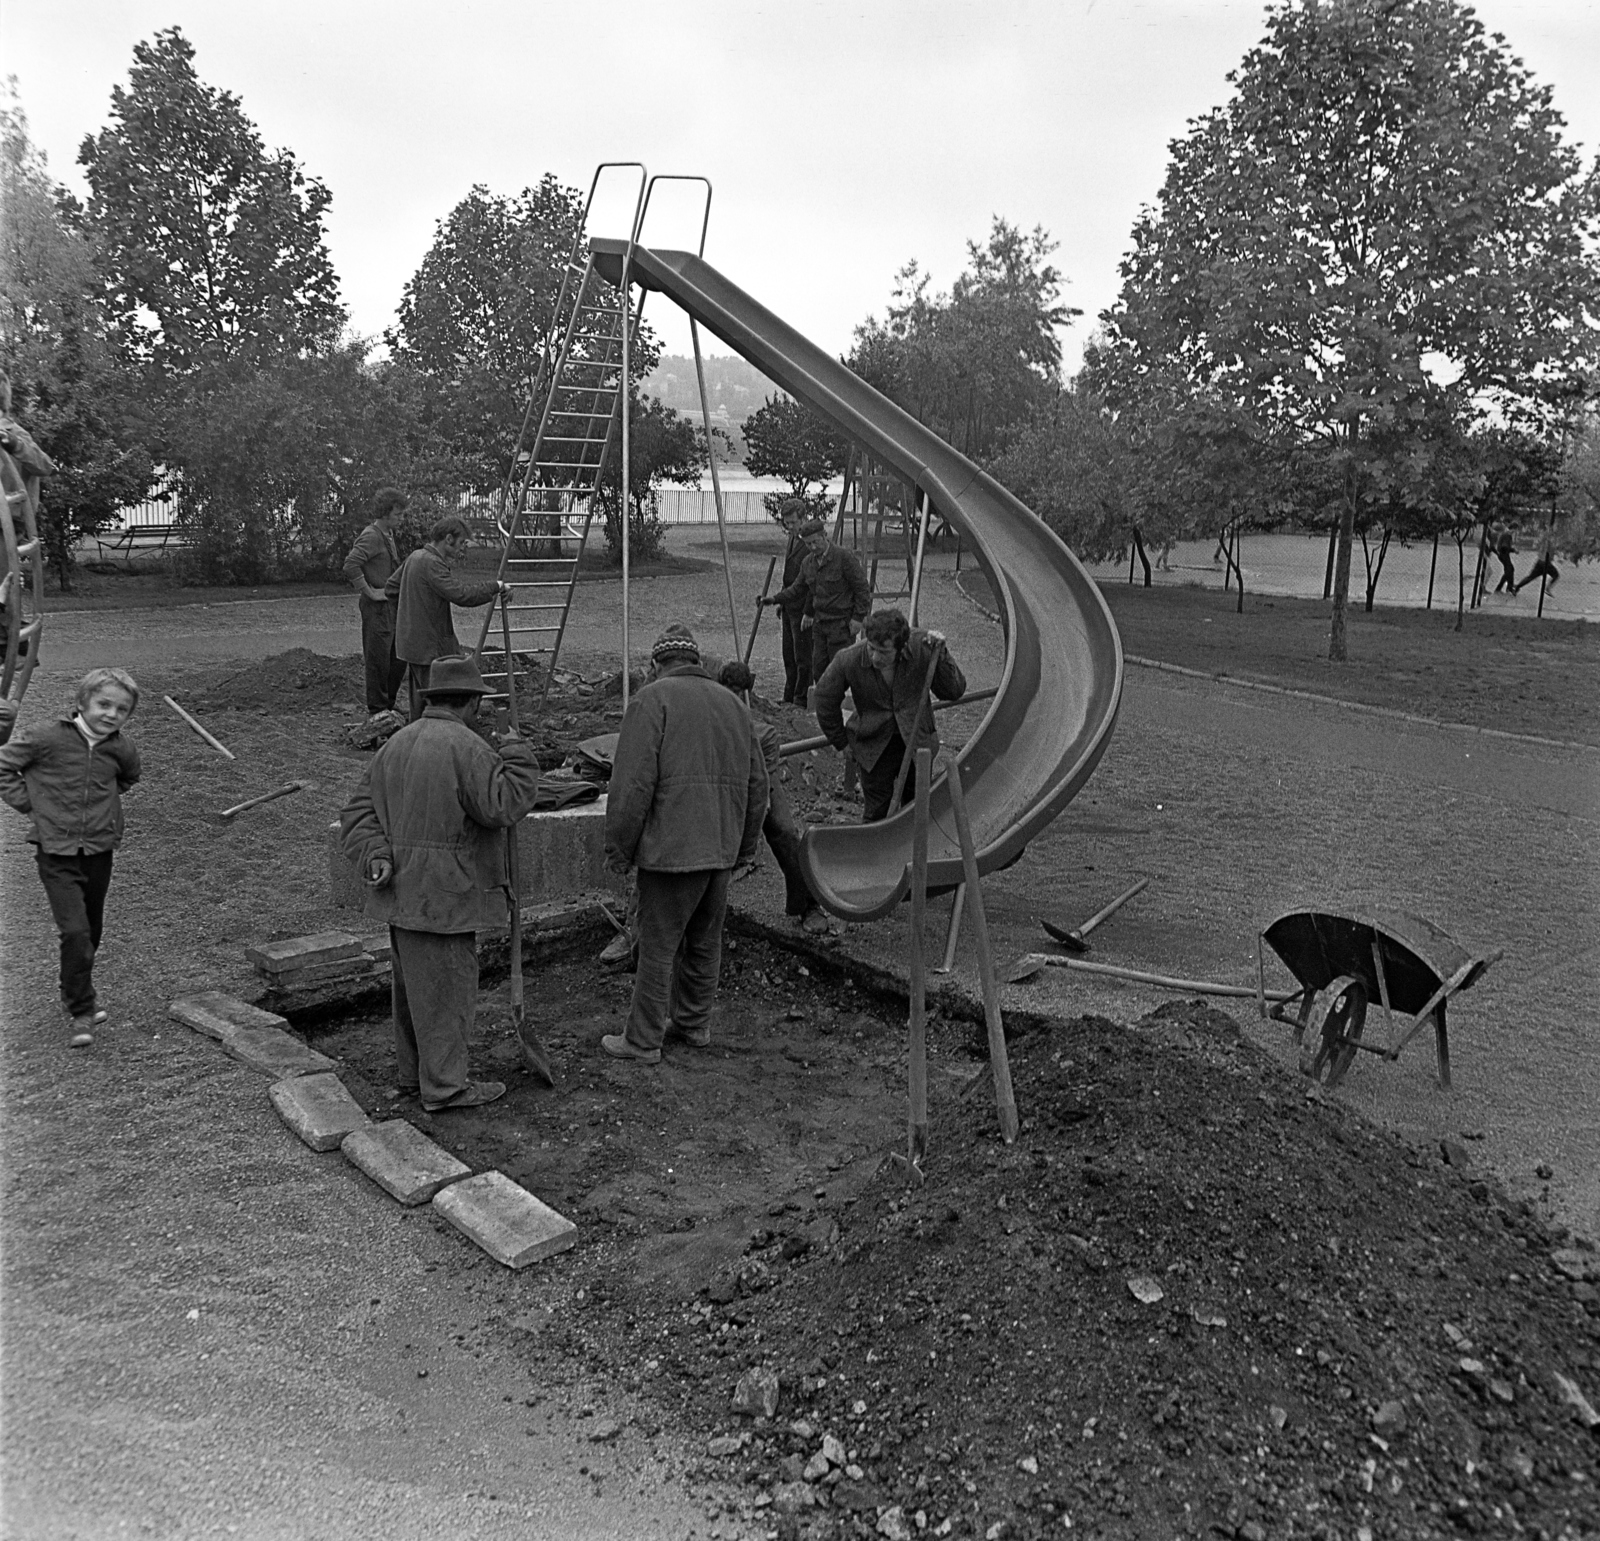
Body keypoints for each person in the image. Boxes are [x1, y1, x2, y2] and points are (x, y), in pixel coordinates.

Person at [339, 654, 541, 1111]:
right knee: (448, 993)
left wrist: (376, 854)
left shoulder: (397, 743)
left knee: (413, 992)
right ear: (472, 703)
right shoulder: (468, 748)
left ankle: (416, 1078)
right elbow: (503, 805)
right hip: (444, 896)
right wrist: (515, 753)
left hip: (402, 895)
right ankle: (446, 1088)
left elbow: (356, 812)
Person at [601, 625, 767, 1063]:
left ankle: (642, 1041)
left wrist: (619, 848)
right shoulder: (734, 705)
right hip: (719, 849)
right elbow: (757, 784)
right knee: (704, 941)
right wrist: (744, 847)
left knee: (656, 947)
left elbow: (631, 785)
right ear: (696, 661)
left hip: (671, 851)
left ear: (657, 664)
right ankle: (694, 1024)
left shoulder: (651, 701)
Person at [0, 668, 141, 1047]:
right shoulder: (46, 737)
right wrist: (33, 805)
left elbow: (127, 779)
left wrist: (101, 810)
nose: (111, 714)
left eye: (122, 709)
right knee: (75, 930)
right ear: (82, 703)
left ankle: (70, 984)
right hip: (56, 852)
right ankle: (82, 1010)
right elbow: (3, 766)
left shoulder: (121, 748)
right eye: (104, 704)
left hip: (98, 850)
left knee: (91, 930)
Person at [814, 608, 967, 823]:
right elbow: (824, 698)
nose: (875, 657)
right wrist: (841, 742)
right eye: (871, 648)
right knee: (876, 814)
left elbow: (954, 690)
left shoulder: (922, 647)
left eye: (883, 653)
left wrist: (941, 654)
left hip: (917, 743)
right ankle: (875, 854)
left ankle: (912, 854)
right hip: (873, 748)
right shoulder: (848, 659)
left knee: (918, 811)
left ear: (901, 647)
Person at [718, 660, 829, 936]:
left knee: (785, 831)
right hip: (714, 782)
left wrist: (758, 807)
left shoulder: (761, 734)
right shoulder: (700, 712)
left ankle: (808, 904)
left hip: (756, 779)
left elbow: (762, 786)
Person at [386, 514, 509, 718]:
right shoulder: (432, 563)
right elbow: (461, 595)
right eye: (461, 542)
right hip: (429, 648)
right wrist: (496, 586)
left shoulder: (415, 556)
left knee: (420, 703)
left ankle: (416, 743)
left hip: (411, 645)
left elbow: (391, 588)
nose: (463, 548)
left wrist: (408, 616)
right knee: (438, 704)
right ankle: (437, 743)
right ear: (448, 539)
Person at [761, 517, 871, 691]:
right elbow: (797, 589)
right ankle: (821, 711)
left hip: (841, 625)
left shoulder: (843, 558)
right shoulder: (808, 563)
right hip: (820, 626)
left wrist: (858, 618)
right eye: (807, 544)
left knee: (840, 672)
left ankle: (842, 710)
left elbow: (863, 590)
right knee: (819, 671)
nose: (812, 548)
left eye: (815, 542)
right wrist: (774, 599)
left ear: (824, 536)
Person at [342, 487, 409, 714]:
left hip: (391, 605)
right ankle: (378, 710)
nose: (402, 518)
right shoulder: (372, 535)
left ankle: (388, 705)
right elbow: (351, 564)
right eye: (397, 514)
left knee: (397, 658)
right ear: (384, 512)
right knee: (379, 660)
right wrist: (369, 591)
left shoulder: (388, 535)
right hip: (377, 607)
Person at [769, 499, 813, 705]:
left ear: (803, 518)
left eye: (793, 522)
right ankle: (789, 697)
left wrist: (809, 611)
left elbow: (813, 583)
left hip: (802, 610)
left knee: (803, 658)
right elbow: (790, 575)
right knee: (788, 656)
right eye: (786, 523)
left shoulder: (811, 542)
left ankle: (800, 699)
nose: (789, 527)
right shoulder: (793, 538)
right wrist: (781, 600)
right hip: (789, 606)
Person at [1491, 523, 1517, 595]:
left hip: (1503, 554)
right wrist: (1513, 550)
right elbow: (1504, 547)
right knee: (1509, 570)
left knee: (1509, 570)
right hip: (1504, 555)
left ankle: (1505, 587)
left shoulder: (1506, 534)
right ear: (1513, 529)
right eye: (1515, 530)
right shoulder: (1507, 535)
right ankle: (1509, 588)